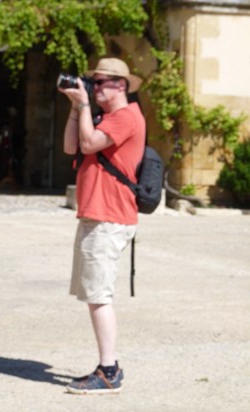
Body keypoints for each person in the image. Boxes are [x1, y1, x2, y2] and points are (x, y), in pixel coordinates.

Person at [60, 57, 146, 394]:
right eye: (93, 81)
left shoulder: (126, 117)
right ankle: (107, 368)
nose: (95, 87)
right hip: (95, 214)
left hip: (109, 215)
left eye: (101, 82)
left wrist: (83, 107)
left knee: (99, 295)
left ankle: (109, 371)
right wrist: (74, 108)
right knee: (93, 294)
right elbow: (70, 146)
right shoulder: (105, 117)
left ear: (121, 85)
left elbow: (88, 144)